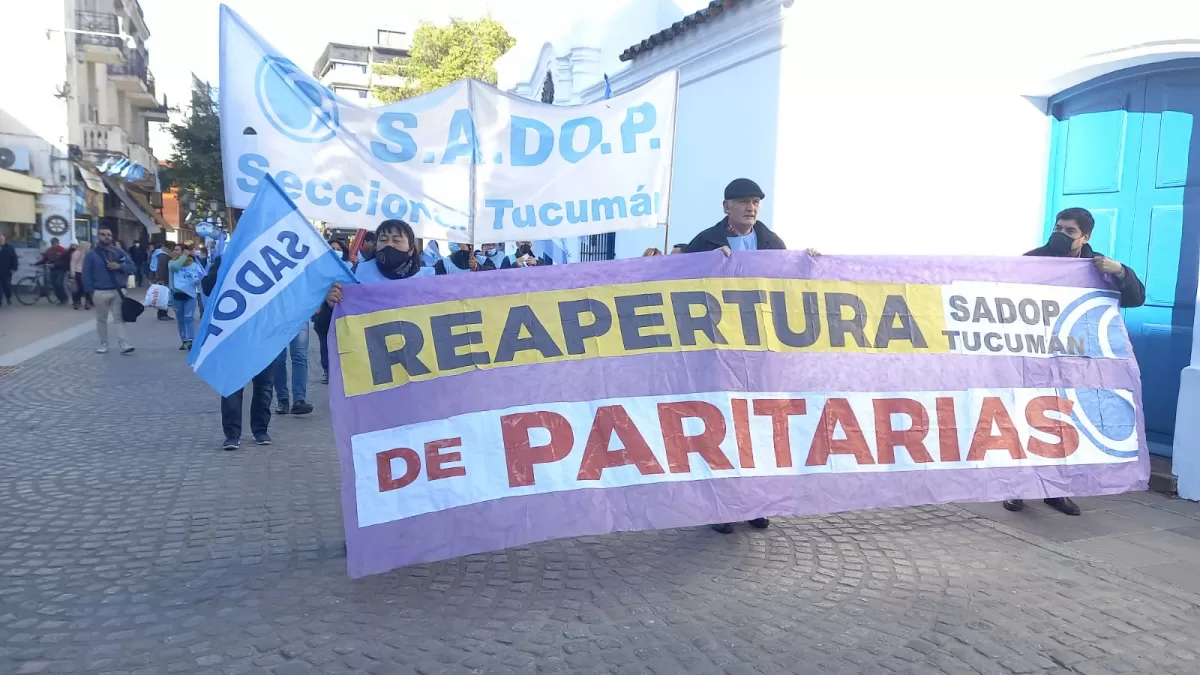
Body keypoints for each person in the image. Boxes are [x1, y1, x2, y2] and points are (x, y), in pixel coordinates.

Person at [1002, 206, 1146, 517]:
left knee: (1065, 422)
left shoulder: (1099, 266)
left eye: (1070, 232)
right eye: (1058, 228)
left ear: (1085, 237)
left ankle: (1057, 491)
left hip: (1075, 357)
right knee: (1027, 420)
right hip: (1034, 354)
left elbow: (1135, 298)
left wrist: (1120, 271)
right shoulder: (1032, 260)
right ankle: (1018, 489)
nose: (1061, 235)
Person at [320, 220, 433, 382]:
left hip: (420, 369)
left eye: (396, 239)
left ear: (411, 249)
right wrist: (331, 307)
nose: (389, 245)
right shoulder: (357, 275)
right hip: (371, 371)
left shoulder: (430, 278)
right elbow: (325, 329)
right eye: (383, 239)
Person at [202, 256, 275, 449]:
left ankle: (260, 430)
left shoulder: (268, 257)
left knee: (264, 386)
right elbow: (207, 287)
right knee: (232, 386)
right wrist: (224, 269)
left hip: (262, 333)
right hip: (232, 334)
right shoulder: (226, 258)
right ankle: (232, 434)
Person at [686, 178, 787, 254]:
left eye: (756, 202)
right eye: (744, 202)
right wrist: (709, 260)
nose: (751, 208)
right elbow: (686, 270)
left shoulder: (774, 244)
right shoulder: (705, 241)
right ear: (727, 207)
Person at [82, 226, 135, 355]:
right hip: (100, 291)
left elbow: (132, 267)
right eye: (103, 234)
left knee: (119, 318)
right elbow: (86, 273)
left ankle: (124, 344)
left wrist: (120, 266)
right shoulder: (91, 255)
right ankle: (103, 344)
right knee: (101, 319)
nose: (106, 237)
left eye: (109, 235)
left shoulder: (119, 252)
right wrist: (90, 291)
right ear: (98, 237)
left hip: (118, 290)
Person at [273, 322, 314, 416]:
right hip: (277, 317)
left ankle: (299, 400)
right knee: (278, 360)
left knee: (300, 356)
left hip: (299, 316)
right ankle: (283, 400)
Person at [168, 244, 200, 350]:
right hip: (177, 295)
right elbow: (176, 267)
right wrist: (183, 256)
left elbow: (199, 275)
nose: (175, 251)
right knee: (180, 319)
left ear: (184, 251)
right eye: (174, 250)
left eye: (177, 250)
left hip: (190, 295)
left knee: (188, 318)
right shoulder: (172, 262)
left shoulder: (193, 264)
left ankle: (191, 340)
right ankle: (184, 340)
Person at [36, 237, 70, 304]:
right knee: (54, 285)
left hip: (61, 269)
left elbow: (64, 261)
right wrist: (37, 263)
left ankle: (65, 298)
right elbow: (45, 258)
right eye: (52, 244)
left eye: (55, 243)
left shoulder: (62, 250)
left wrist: (55, 265)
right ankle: (60, 299)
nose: (54, 245)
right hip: (53, 270)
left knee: (59, 284)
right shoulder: (49, 250)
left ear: (58, 243)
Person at [151, 243, 173, 321]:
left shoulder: (161, 255)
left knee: (164, 297)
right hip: (164, 279)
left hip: (163, 279)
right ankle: (162, 314)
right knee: (164, 297)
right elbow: (161, 269)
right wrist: (160, 279)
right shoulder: (164, 256)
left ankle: (162, 314)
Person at [70, 241, 93, 310]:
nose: (89, 247)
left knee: (87, 287)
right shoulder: (77, 253)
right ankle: (77, 301)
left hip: (87, 272)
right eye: (88, 246)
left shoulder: (89, 253)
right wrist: (72, 271)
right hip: (78, 272)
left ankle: (87, 302)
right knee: (81, 288)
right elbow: (73, 263)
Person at [0, 233, 17, 306]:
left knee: (7, 286)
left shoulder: (10, 248)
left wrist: (13, 268)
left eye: (2, 239)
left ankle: (8, 297)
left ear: (4, 240)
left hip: (7, 271)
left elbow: (14, 259)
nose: (1, 241)